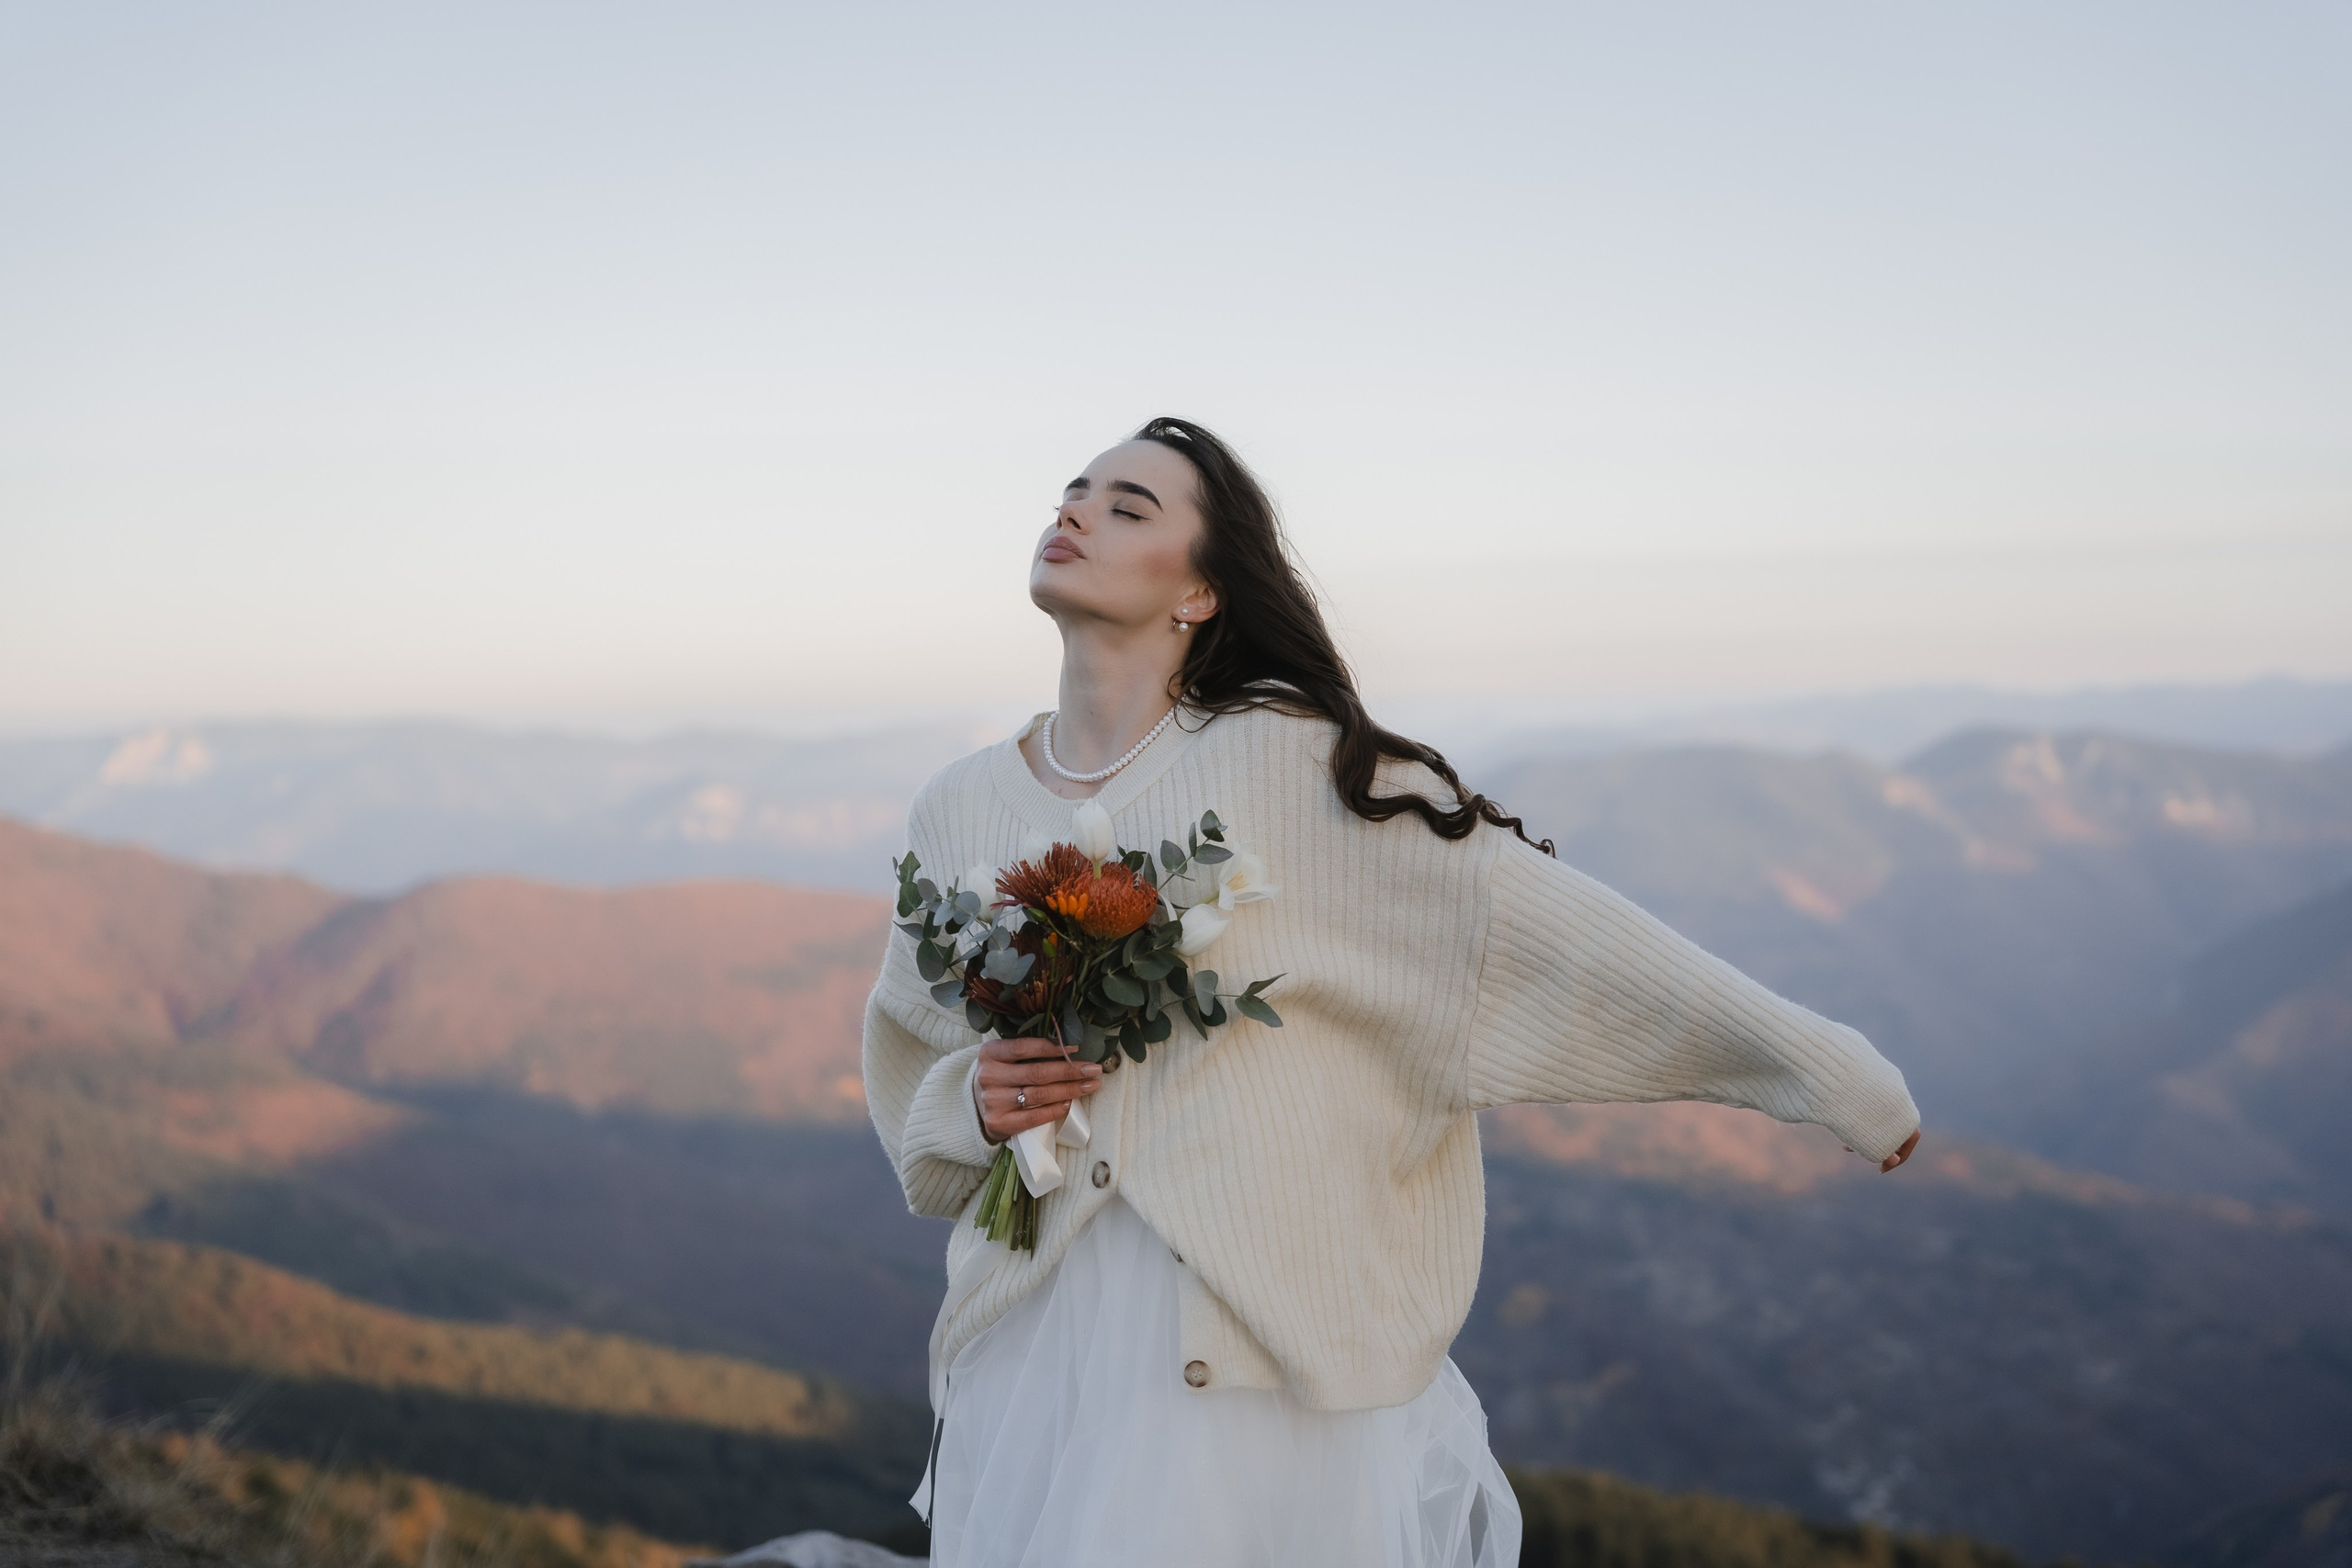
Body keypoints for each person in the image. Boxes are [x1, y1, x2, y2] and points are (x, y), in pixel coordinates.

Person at [860, 416, 1924, 1568]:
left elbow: (1545, 935)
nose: (1072, 514)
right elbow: (914, 1062)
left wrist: (1824, 1070)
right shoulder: (957, 807)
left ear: (1202, 592)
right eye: (1072, 492)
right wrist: (974, 1102)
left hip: (1252, 1358)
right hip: (1038, 1344)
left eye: (1128, 507)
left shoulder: (1302, 768)